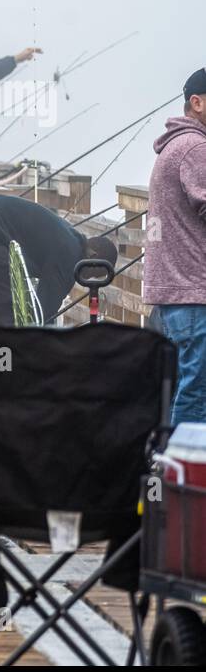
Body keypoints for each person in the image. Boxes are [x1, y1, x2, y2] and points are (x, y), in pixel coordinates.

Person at [143, 67, 206, 426]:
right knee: (197, 396)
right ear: (196, 103)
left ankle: (169, 471)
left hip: (176, 295)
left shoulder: (175, 145)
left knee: (183, 388)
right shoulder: (196, 148)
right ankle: (184, 476)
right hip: (193, 294)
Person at [0, 194, 118, 329]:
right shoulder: (69, 257)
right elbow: (44, 312)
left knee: (2, 307)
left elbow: (41, 309)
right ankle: (5, 365)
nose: (86, 280)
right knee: (6, 309)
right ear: (92, 255)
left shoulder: (70, 240)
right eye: (94, 273)